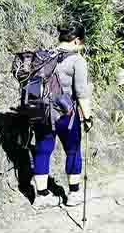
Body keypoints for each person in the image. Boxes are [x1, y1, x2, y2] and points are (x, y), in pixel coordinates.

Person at [32, 23, 94, 209]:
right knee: (73, 151)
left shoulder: (44, 57)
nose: (81, 47)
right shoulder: (77, 61)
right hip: (66, 115)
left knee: (43, 150)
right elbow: (81, 93)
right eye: (81, 43)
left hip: (42, 111)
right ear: (76, 40)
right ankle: (74, 194)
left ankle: (41, 196)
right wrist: (88, 118)